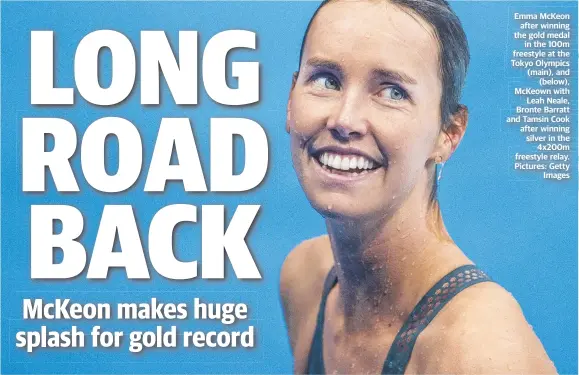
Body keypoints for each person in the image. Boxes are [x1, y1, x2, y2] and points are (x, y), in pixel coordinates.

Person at [280, 0, 557, 373]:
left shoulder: (481, 351)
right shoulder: (306, 280)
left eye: (392, 92)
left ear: (449, 133)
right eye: (327, 80)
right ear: (290, 98)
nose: (344, 120)